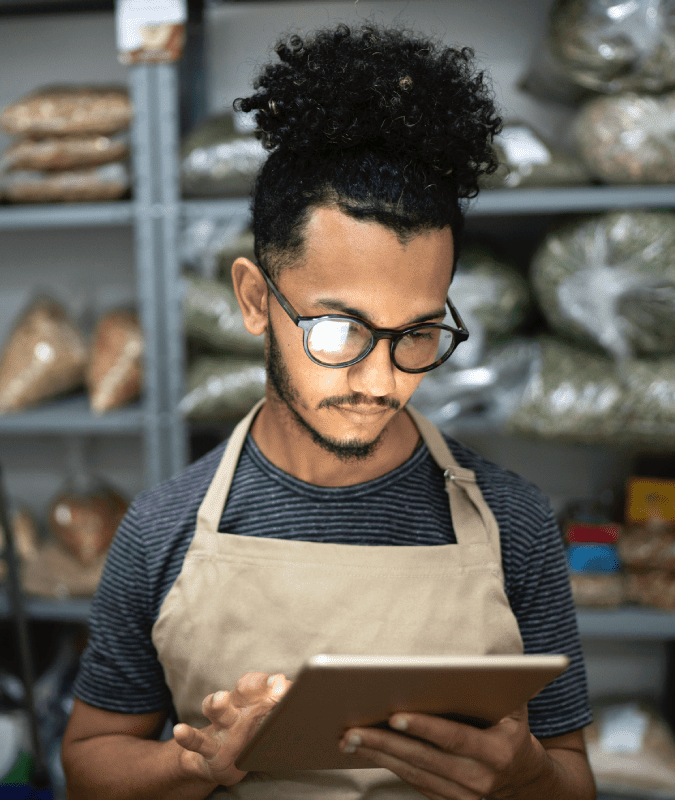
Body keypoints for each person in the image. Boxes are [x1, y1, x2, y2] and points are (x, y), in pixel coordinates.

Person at [62, 23, 595, 800]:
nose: (380, 381)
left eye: (417, 332)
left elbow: (572, 778)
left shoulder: (514, 523)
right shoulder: (161, 529)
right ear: (254, 299)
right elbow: (89, 762)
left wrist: (528, 777)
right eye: (339, 329)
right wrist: (195, 764)